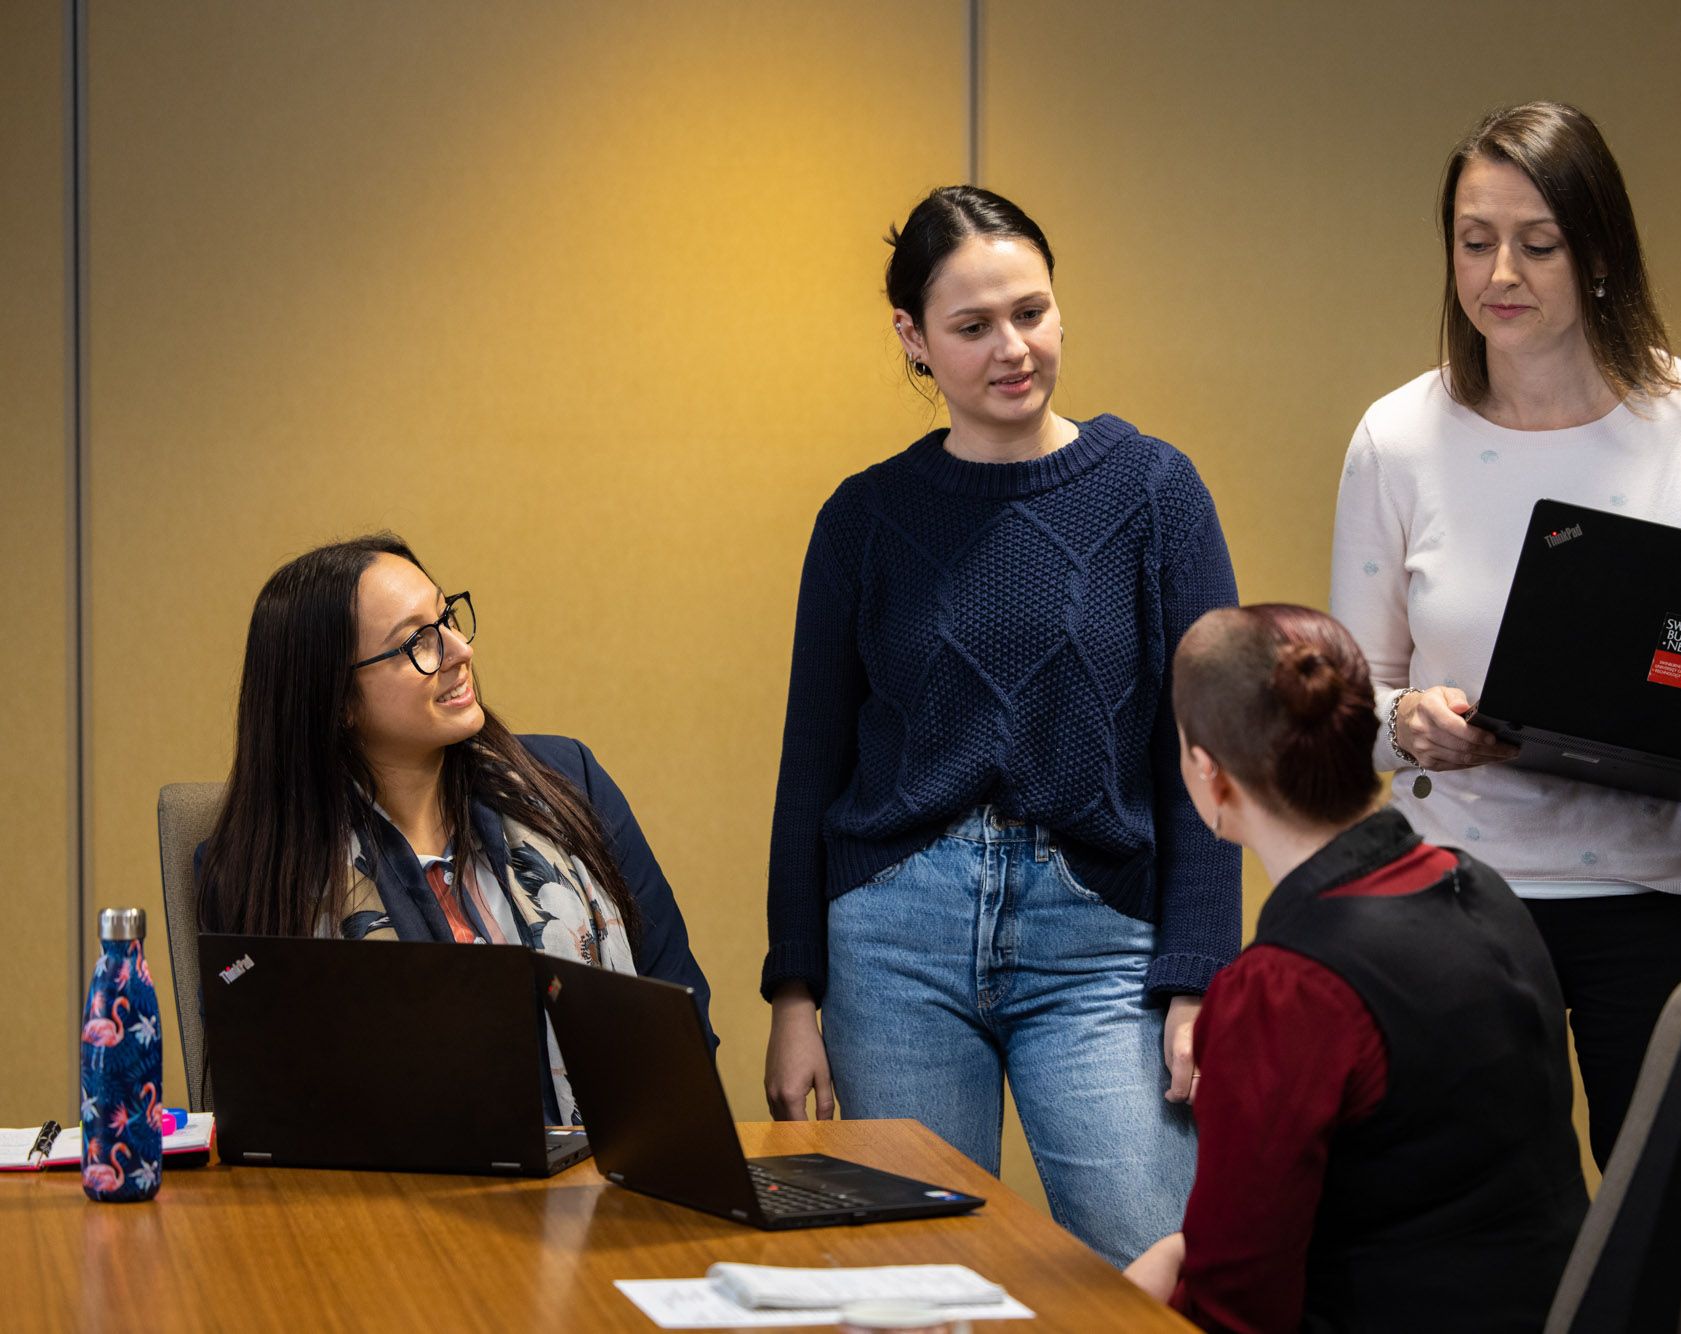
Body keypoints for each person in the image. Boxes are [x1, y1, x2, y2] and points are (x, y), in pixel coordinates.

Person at [1330, 101, 1681, 1168]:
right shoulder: (1397, 436)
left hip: (1666, 900)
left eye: (1536, 242)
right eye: (1473, 242)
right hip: (1462, 900)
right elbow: (1351, 705)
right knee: (1473, 1237)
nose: (1498, 272)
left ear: (1598, 252)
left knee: (1666, 1231)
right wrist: (1407, 723)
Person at [761, 185, 1241, 1265]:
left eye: (1030, 311)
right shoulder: (861, 518)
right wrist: (794, 993)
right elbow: (809, 766)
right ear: (912, 340)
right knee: (912, 1285)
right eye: (972, 327)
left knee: (1157, 1263)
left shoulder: (1155, 491)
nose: (1010, 349)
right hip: (892, 945)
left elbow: (1208, 756)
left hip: (1100, 943)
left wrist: (1200, 976)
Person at [1125, 603, 1586, 1332]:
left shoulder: (1284, 988)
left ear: (1208, 774)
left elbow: (1235, 1311)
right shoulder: (1478, 887)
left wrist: (1151, 1283)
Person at [196, 534, 714, 1124]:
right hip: (387, 1204)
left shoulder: (569, 784)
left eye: (446, 617)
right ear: (335, 700)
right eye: (416, 641)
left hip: (609, 1181)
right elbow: (265, 1100)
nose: (459, 649)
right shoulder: (262, 873)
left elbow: (679, 1003)